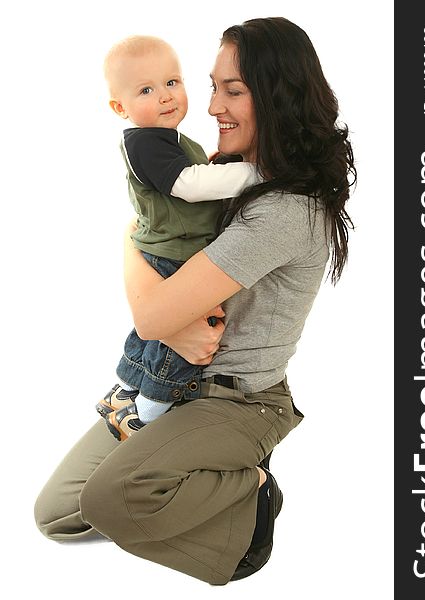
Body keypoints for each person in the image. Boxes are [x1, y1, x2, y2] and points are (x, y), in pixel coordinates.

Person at [34, 17, 356, 585]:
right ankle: (167, 484)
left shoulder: (283, 208)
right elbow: (138, 236)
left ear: (277, 96)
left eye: (233, 90)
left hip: (235, 402)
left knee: (109, 503)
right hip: (174, 377)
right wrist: (166, 323)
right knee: (58, 515)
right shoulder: (227, 175)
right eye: (211, 87)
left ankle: (251, 492)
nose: (210, 107)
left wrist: (163, 319)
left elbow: (150, 310)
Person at [97, 35, 259, 440]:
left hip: (170, 249)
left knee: (153, 339)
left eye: (173, 82)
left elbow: (193, 171)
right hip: (175, 254)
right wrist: (255, 174)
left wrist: (217, 164)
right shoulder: (145, 141)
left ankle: (126, 389)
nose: (167, 97)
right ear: (121, 108)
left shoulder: (165, 139)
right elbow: (188, 184)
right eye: (147, 90)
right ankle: (148, 416)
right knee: (182, 345)